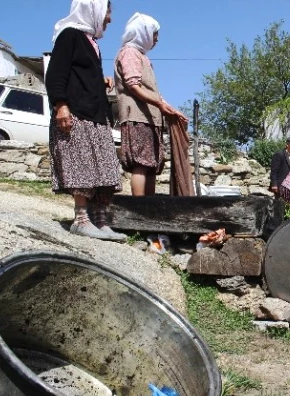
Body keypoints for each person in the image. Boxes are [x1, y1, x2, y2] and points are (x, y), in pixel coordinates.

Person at [45, 0, 125, 241]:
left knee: (106, 169)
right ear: (93, 9)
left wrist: (99, 81)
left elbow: (80, 74)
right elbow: (56, 73)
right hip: (76, 114)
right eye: (107, 11)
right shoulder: (69, 35)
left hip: (96, 116)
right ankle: (81, 220)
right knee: (82, 168)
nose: (109, 18)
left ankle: (101, 222)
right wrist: (61, 105)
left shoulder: (92, 42)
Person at [114, 13, 187, 197]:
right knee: (141, 163)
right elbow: (134, 86)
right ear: (142, 32)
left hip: (150, 119)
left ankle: (150, 207)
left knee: (152, 164)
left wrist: (172, 110)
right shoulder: (129, 52)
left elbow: (154, 93)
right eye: (154, 34)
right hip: (137, 117)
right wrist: (159, 104)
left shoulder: (142, 57)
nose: (157, 39)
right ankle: (139, 208)